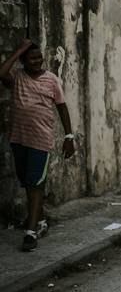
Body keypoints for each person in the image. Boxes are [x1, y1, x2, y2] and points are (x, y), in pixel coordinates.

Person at [0, 39, 76, 252]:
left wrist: (69, 136)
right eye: (32, 58)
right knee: (27, 181)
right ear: (23, 60)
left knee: (36, 183)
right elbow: (2, 72)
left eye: (39, 57)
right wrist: (19, 49)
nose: (37, 61)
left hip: (40, 140)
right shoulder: (17, 77)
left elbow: (62, 107)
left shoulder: (51, 80)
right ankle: (40, 221)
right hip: (18, 138)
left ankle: (31, 232)